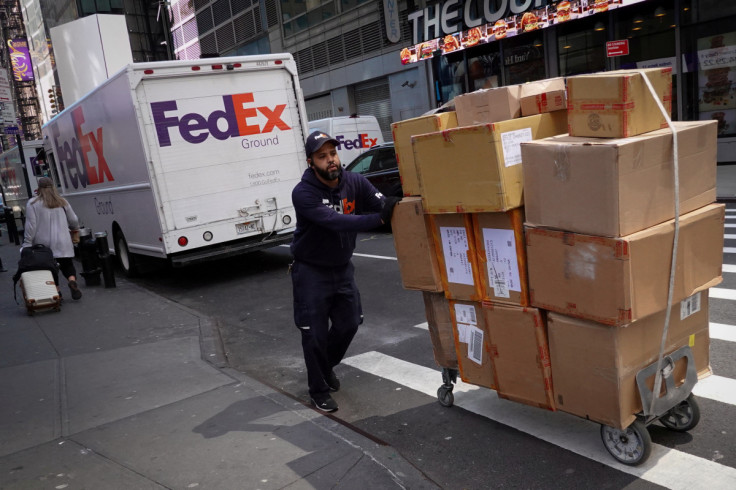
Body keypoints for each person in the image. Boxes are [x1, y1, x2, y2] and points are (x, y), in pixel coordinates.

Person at [290, 131, 400, 412]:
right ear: (311, 162)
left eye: (333, 154)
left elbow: (383, 203)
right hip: (310, 272)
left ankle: (324, 367)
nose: (331, 161)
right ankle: (318, 389)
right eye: (322, 156)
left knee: (350, 323)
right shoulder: (303, 193)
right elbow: (336, 221)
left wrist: (391, 205)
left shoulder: (354, 181)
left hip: (342, 269)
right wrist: (379, 218)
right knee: (313, 334)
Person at [22, 177, 82, 300]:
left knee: (48, 269)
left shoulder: (33, 204)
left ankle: (57, 292)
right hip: (63, 241)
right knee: (67, 264)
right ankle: (71, 280)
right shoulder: (63, 202)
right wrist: (75, 228)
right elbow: (74, 220)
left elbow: (31, 226)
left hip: (43, 245)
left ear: (38, 189)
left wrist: (27, 243)